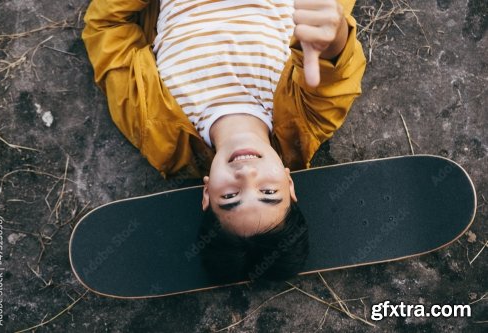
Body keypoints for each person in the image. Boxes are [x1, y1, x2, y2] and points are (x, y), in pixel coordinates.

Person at [82, 0, 366, 281]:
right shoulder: (308, 121)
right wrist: (333, 39)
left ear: (207, 195)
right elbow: (335, 75)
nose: (246, 175)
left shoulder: (154, 130)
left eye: (230, 197)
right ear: (289, 183)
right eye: (268, 192)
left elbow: (106, 28)